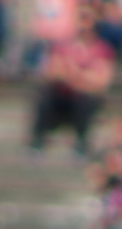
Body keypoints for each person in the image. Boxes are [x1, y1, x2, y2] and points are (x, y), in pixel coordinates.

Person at [30, 4, 116, 156]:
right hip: (61, 95)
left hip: (83, 98)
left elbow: (101, 80)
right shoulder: (61, 46)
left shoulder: (102, 49)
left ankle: (81, 145)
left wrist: (74, 74)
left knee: (86, 101)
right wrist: (78, 75)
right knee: (45, 96)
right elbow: (50, 71)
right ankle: (37, 142)